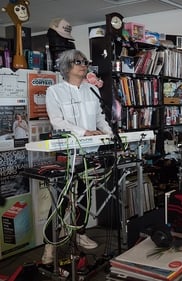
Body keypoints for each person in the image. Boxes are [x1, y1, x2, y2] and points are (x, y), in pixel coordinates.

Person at [42, 49, 112, 265]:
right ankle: (50, 244)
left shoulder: (92, 89)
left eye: (85, 61)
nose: (83, 65)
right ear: (66, 66)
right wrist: (84, 132)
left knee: (83, 195)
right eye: (78, 62)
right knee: (61, 199)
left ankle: (80, 233)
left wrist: (109, 135)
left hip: (90, 152)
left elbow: (100, 117)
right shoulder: (54, 91)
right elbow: (57, 121)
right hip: (67, 153)